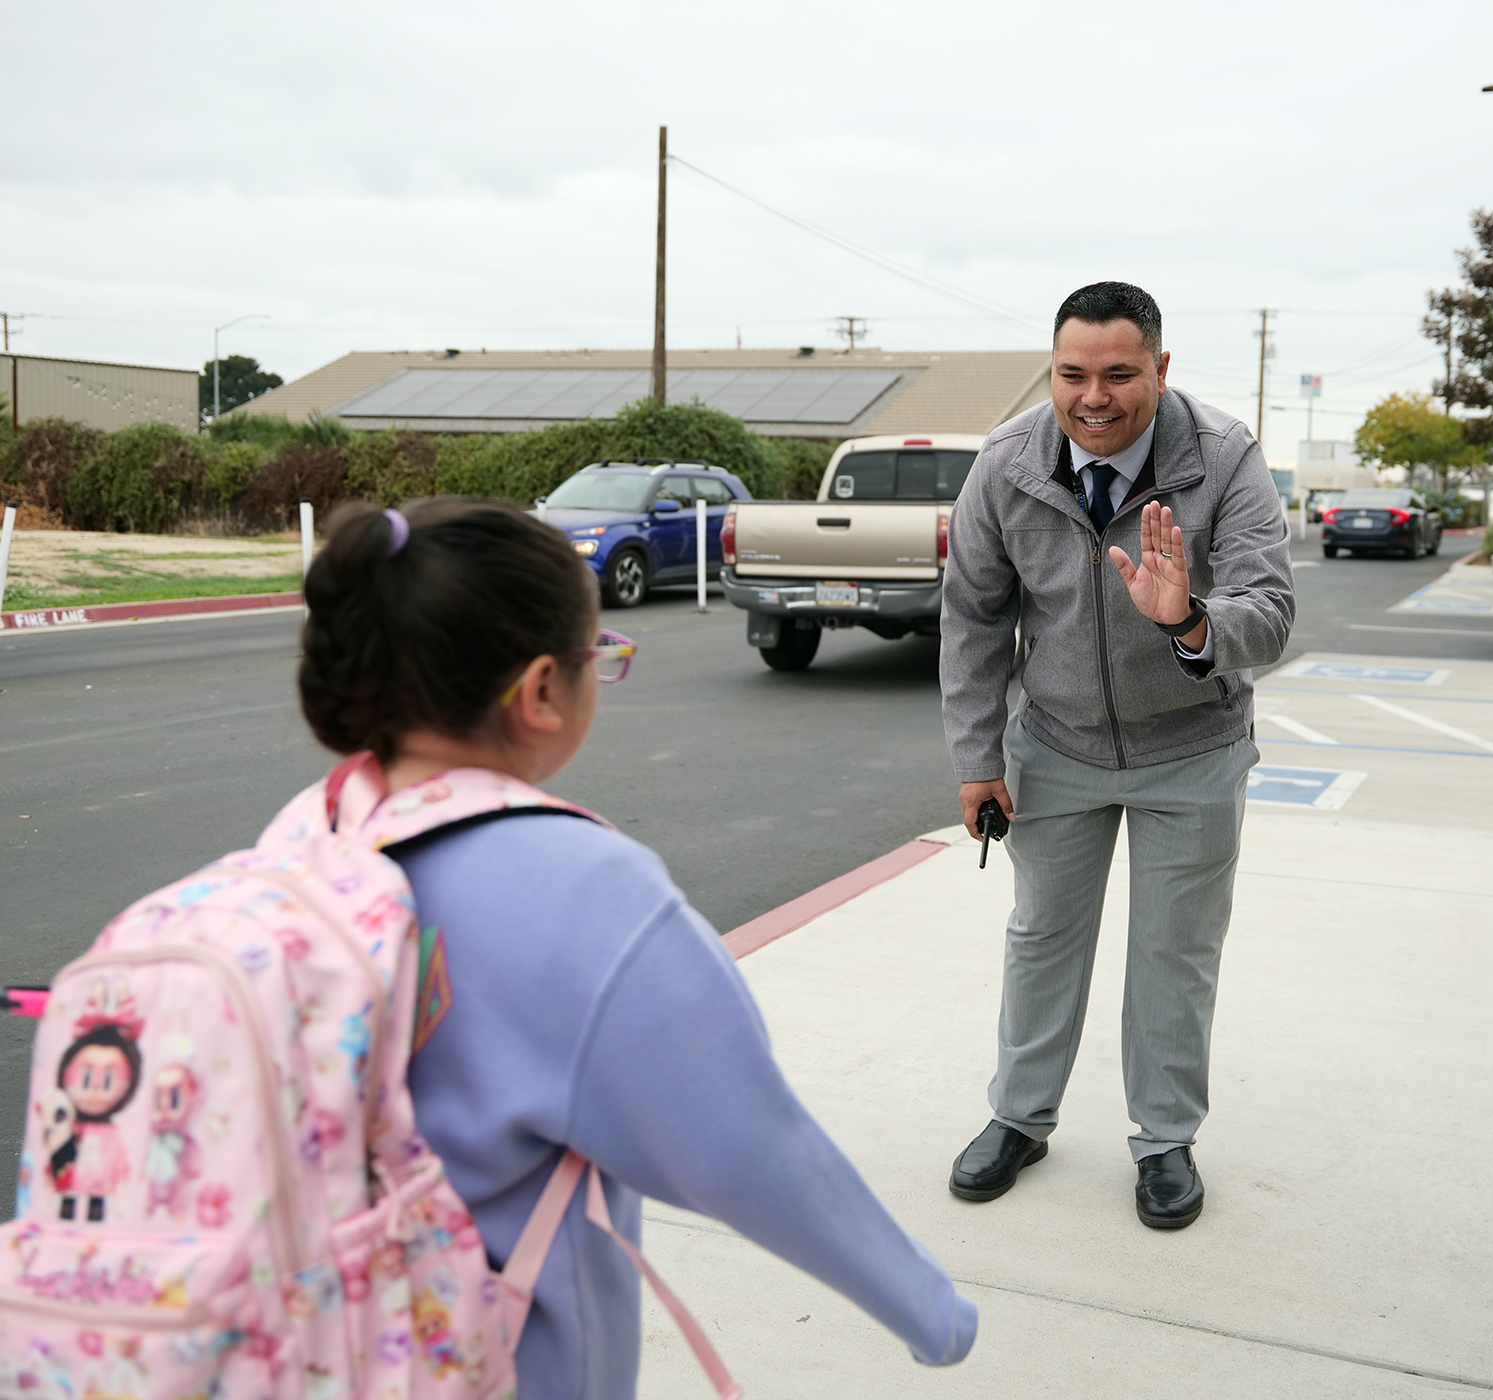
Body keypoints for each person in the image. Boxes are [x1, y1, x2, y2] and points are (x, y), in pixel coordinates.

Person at [299, 498, 976, 1398]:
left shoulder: (301, 842)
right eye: (598, 658)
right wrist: (931, 1311)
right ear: (541, 690)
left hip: (293, 1343)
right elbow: (748, 1148)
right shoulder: (581, 888)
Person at [939, 282, 1294, 1229]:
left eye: (1120, 374)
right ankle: (1019, 1118)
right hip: (1054, 746)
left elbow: (1272, 613)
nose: (1094, 396)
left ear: (1161, 369)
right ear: (1052, 372)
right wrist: (978, 759)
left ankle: (1165, 1140)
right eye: (1072, 374)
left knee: (1175, 952)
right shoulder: (1006, 463)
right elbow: (973, 616)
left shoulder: (1224, 459)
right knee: (1040, 939)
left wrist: (1189, 619)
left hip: (1196, 748)